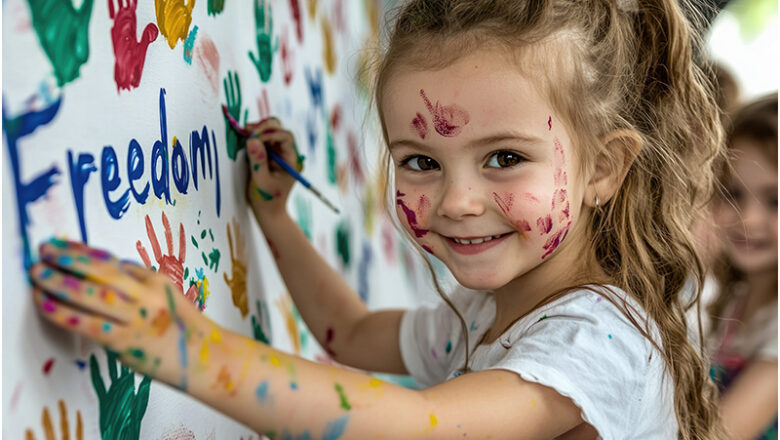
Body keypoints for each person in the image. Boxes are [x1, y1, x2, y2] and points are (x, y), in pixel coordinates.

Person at [28, 0, 727, 438]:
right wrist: (274, 218)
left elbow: (418, 425)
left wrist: (192, 351)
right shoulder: (487, 312)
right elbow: (353, 334)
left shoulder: (602, 341)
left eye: (505, 158)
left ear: (603, 168)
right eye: (420, 161)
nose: (456, 201)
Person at [708, 93, 778, 439]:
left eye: (775, 201)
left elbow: (718, 434)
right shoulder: (731, 300)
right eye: (733, 194)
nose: (748, 219)